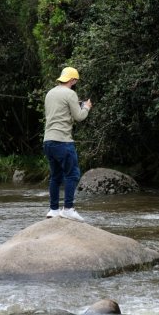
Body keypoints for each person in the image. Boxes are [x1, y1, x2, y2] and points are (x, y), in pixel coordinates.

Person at [43, 67, 92, 222]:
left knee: (55, 176)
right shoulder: (70, 93)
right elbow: (79, 117)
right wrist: (86, 107)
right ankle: (69, 209)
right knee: (73, 174)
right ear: (72, 80)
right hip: (63, 141)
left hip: (48, 141)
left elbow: (57, 112)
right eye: (75, 81)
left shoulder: (50, 93)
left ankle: (53, 210)